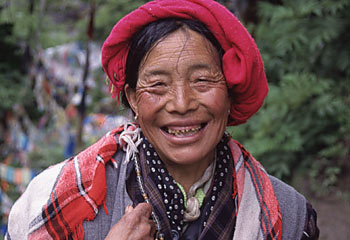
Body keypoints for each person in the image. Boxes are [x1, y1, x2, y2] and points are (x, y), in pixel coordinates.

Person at [6, 0, 319, 239]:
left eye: (202, 81)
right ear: (131, 97)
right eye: (157, 85)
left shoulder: (288, 215)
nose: (181, 104)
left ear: (229, 92)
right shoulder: (53, 199)